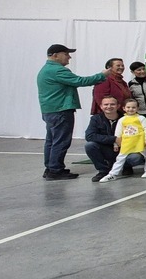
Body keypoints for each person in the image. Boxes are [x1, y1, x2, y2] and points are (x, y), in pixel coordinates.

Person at [37, 43, 106, 180]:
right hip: (61, 110)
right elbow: (80, 81)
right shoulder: (57, 70)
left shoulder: (45, 69)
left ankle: (50, 167)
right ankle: (55, 170)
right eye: (66, 54)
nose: (69, 57)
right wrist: (102, 75)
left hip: (50, 110)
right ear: (55, 55)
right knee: (61, 141)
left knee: (51, 140)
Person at [99, 98, 146, 182]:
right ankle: (112, 174)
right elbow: (118, 133)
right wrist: (116, 144)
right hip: (127, 143)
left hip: (140, 142)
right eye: (128, 107)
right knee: (120, 159)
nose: (131, 109)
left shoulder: (141, 118)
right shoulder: (122, 120)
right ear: (124, 108)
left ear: (137, 108)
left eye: (133, 107)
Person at [84, 96, 124, 182]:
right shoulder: (96, 119)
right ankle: (103, 171)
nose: (109, 107)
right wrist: (114, 139)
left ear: (118, 106)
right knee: (90, 145)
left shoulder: (126, 118)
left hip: (124, 150)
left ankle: (126, 166)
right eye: (106, 104)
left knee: (135, 158)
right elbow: (89, 136)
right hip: (106, 150)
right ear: (101, 106)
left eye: (112, 104)